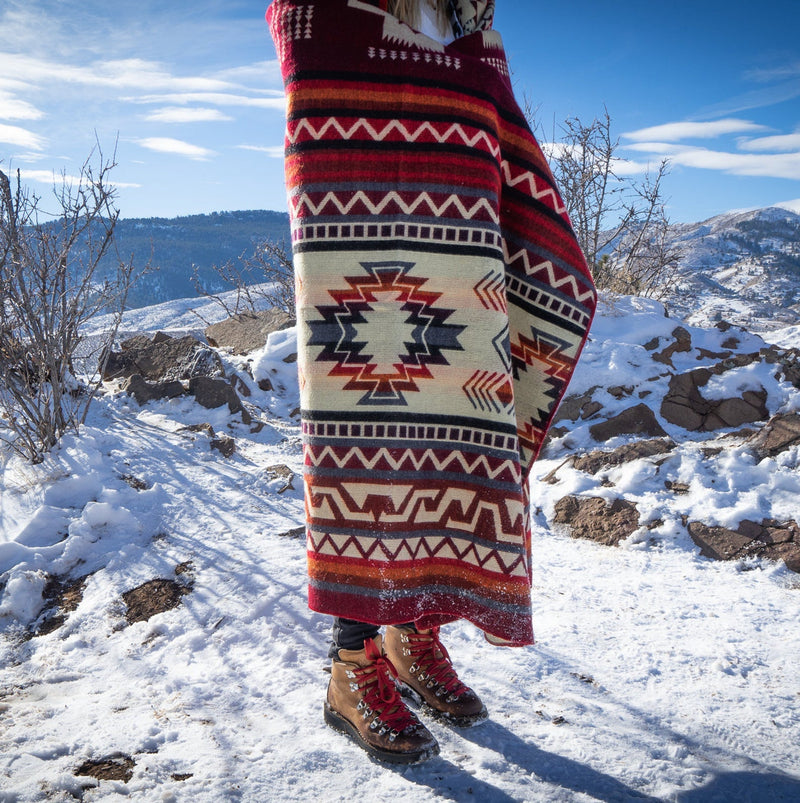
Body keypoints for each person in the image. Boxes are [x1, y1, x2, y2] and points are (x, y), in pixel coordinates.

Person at [267, 0, 597, 764]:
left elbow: (498, 111)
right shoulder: (328, 20)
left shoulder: (464, 15)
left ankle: (411, 624)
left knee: (456, 415)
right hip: (354, 197)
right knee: (367, 415)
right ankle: (352, 665)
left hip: (462, 230)